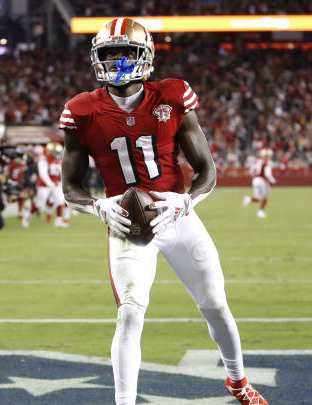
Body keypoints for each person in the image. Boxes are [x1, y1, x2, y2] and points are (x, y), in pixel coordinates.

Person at [61, 18, 267, 405]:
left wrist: (187, 200)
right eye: (110, 53)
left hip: (176, 216)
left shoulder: (172, 96)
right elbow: (70, 186)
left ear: (147, 55)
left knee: (216, 304)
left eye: (127, 52)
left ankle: (237, 381)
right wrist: (98, 206)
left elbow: (207, 171)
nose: (119, 60)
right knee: (130, 314)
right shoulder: (82, 111)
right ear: (97, 59)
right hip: (126, 225)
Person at [36, 142, 69, 228]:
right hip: (45, 184)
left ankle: (58, 221)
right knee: (40, 203)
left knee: (60, 201)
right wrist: (50, 184)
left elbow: (62, 172)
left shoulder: (59, 159)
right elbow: (43, 174)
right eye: (55, 152)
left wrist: (62, 182)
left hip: (56, 184)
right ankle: (28, 215)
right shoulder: (44, 159)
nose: (58, 154)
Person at [242, 148, 276, 218]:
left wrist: (254, 176)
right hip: (262, 180)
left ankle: (249, 199)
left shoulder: (257, 161)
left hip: (255, 180)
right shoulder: (267, 162)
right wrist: (272, 180)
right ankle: (260, 212)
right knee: (265, 197)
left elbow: (251, 171)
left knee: (258, 198)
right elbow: (267, 173)